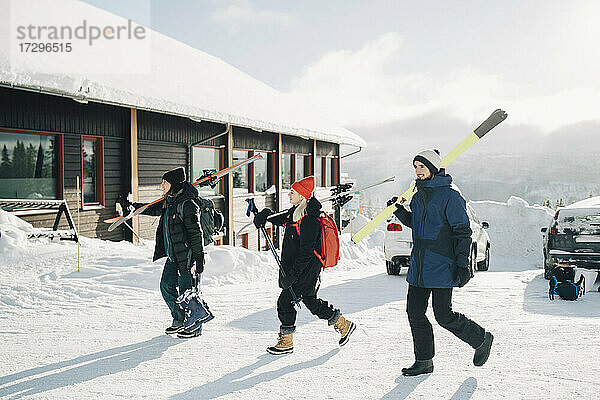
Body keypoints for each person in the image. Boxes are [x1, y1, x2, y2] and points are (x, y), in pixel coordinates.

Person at [388, 149, 493, 376]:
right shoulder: (418, 196)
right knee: (414, 313)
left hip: (442, 264)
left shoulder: (450, 196)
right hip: (419, 265)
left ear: (433, 169)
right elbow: (415, 223)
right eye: (415, 167)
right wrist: (398, 211)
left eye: (422, 167)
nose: (417, 171)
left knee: (443, 315)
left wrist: (463, 264)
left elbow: (462, 232)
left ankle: (481, 338)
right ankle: (424, 361)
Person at [253, 176, 356, 355]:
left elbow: (306, 253)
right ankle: (343, 324)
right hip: (301, 267)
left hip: (307, 267)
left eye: (292, 192)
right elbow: (279, 218)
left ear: (301, 195)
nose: (289, 195)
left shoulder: (309, 219)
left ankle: (286, 342)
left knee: (285, 301)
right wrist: (265, 214)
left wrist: (292, 276)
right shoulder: (296, 212)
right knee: (310, 301)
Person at [119, 167, 205, 339]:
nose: (161, 185)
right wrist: (133, 207)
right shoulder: (170, 201)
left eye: (164, 182)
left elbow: (196, 232)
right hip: (173, 255)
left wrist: (199, 257)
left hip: (186, 255)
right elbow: (152, 208)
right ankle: (179, 320)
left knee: (187, 292)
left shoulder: (187, 204)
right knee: (166, 285)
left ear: (172, 183)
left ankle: (195, 327)